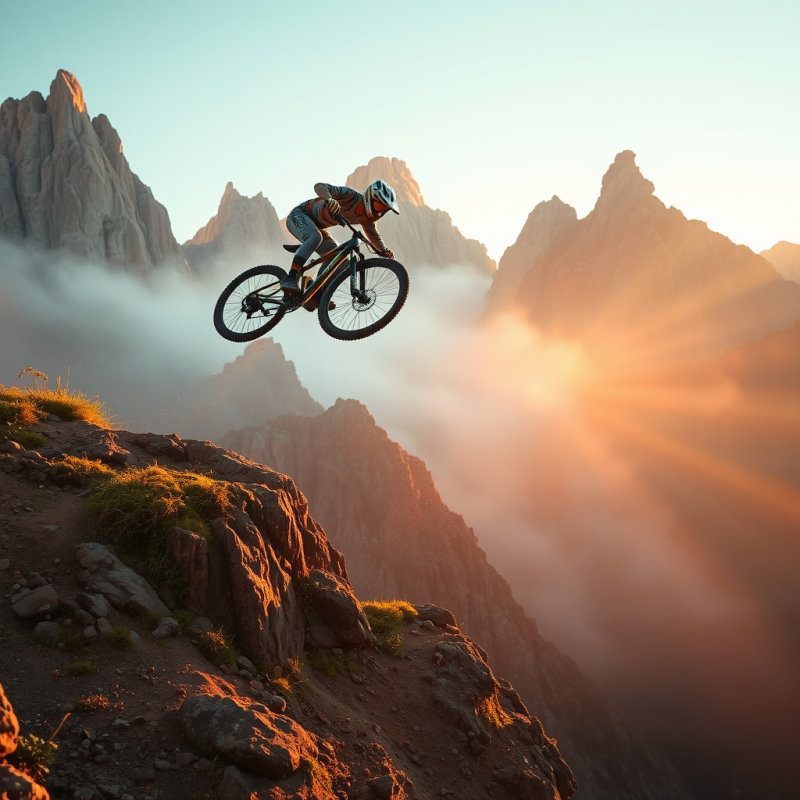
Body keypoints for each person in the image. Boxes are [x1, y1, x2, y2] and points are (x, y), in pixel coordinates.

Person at [280, 179, 400, 294]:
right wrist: (329, 199)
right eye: (380, 206)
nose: (380, 212)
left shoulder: (367, 220)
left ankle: (315, 293)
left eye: (384, 210)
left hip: (317, 228)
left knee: (340, 260)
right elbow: (319, 186)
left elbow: (374, 236)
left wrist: (384, 251)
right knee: (315, 237)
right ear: (370, 198)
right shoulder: (349, 196)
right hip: (300, 214)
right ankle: (291, 277)